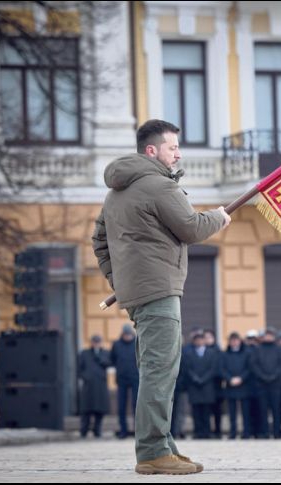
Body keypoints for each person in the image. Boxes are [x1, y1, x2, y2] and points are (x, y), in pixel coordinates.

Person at [92, 119, 230, 475]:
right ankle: (153, 451)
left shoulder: (116, 192)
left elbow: (99, 241)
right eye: (173, 147)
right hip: (159, 291)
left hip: (139, 293)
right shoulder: (158, 185)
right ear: (152, 150)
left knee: (155, 368)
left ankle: (163, 446)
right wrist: (218, 217)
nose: (178, 154)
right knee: (160, 371)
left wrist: (120, 281)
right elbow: (192, 228)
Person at [249, 328, 281, 439]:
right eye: (267, 335)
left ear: (274, 337)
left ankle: (277, 432)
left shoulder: (279, 349)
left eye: (271, 335)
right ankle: (264, 432)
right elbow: (253, 365)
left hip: (276, 384)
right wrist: (263, 376)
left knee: (276, 410)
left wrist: (273, 376)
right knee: (262, 410)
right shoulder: (258, 349)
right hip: (261, 384)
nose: (268, 337)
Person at [183, 332, 220, 440]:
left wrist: (204, 379)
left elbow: (213, 368)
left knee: (207, 411)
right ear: (194, 341)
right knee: (196, 411)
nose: (199, 342)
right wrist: (195, 378)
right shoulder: (189, 353)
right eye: (197, 340)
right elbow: (187, 369)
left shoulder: (212, 353)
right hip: (194, 386)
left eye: (201, 339)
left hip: (207, 386)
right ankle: (198, 432)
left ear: (204, 341)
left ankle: (207, 432)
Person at [78, 335, 111, 438]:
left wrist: (99, 357)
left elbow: (109, 363)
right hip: (88, 386)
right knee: (86, 410)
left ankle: (97, 430)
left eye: (98, 342)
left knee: (99, 410)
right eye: (94, 342)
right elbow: (79, 368)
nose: (96, 344)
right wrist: (86, 377)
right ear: (91, 342)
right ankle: (83, 430)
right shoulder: (84, 353)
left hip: (100, 385)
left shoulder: (105, 353)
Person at [221, 332, 252, 440]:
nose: (234, 342)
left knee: (245, 412)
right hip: (230, 386)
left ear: (240, 341)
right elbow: (222, 369)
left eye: (236, 340)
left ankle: (246, 432)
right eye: (232, 340)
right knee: (232, 412)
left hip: (244, 386)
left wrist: (241, 378)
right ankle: (233, 432)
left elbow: (249, 368)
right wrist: (230, 379)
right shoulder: (225, 354)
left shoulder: (246, 353)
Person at [112, 324, 140, 439]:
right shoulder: (116, 344)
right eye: (125, 334)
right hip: (121, 379)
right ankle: (123, 431)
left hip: (135, 378)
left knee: (136, 406)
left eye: (129, 334)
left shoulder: (137, 343)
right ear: (122, 334)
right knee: (121, 406)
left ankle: (138, 431)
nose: (127, 336)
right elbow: (113, 359)